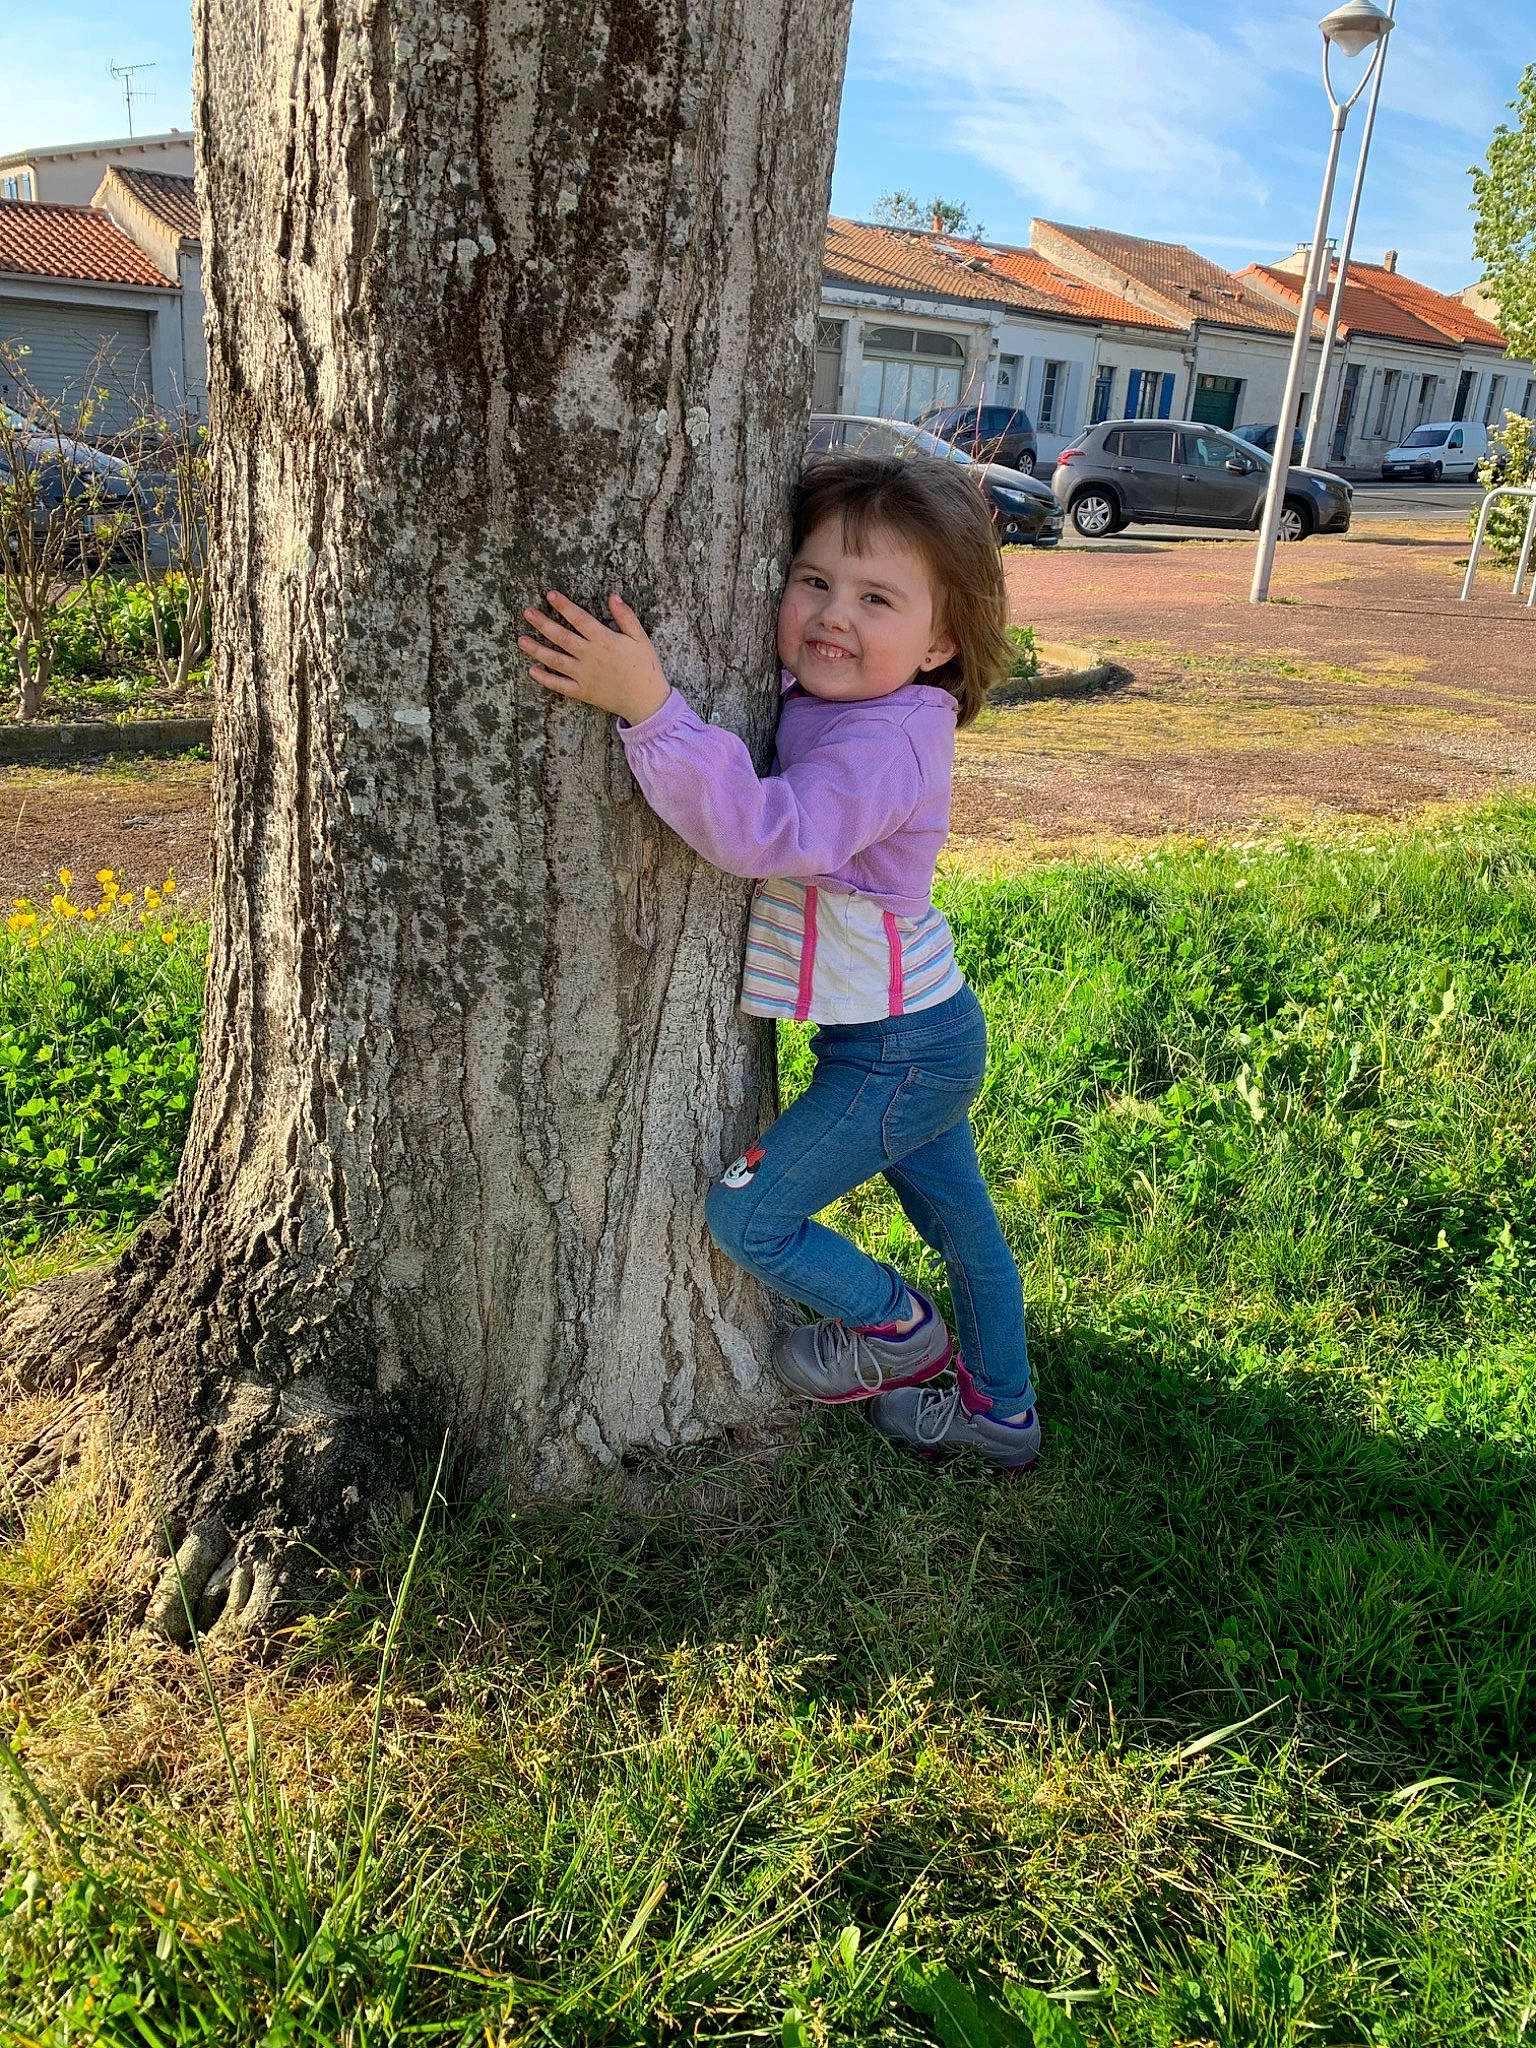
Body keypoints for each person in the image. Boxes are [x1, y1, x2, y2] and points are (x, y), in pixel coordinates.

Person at [519, 454, 1038, 1471]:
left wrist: (654, 709)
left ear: (941, 640)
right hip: (911, 1030)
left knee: (749, 1213)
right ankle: (1003, 1411)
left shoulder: (887, 745)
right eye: (813, 581)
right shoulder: (848, 699)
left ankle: (895, 1330)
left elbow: (773, 832)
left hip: (898, 1053)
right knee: (965, 1231)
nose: (833, 615)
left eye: (876, 597)